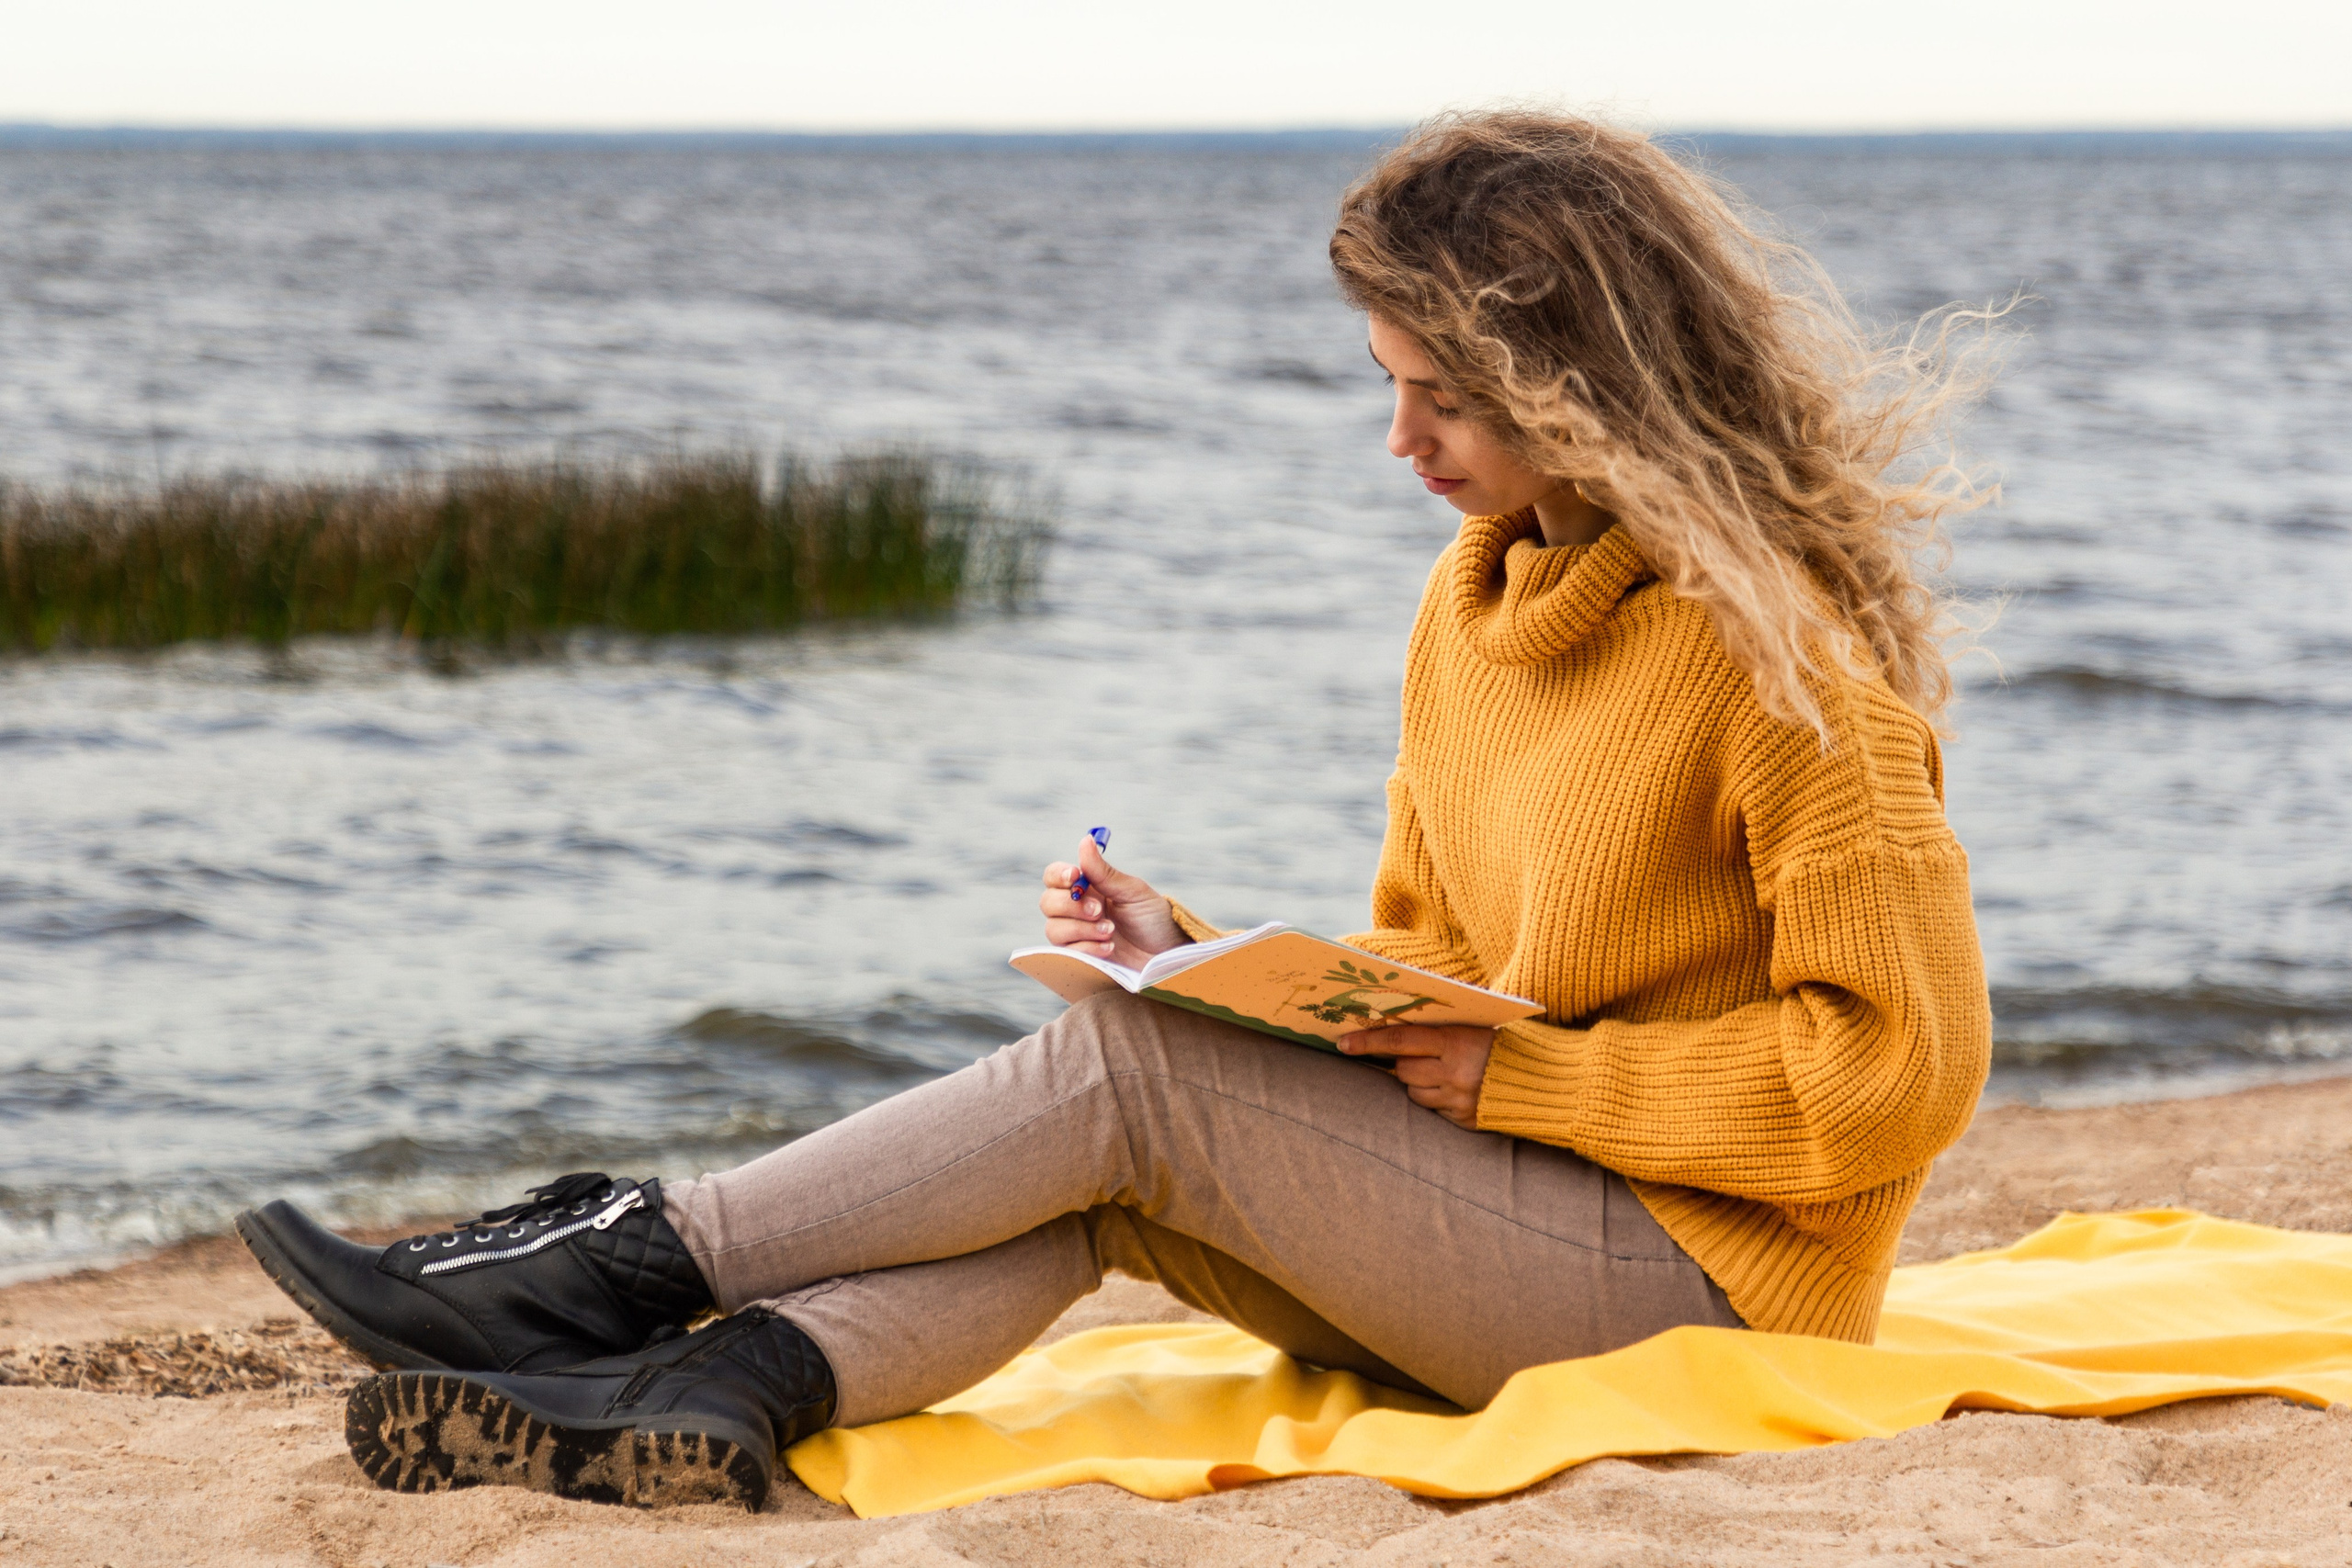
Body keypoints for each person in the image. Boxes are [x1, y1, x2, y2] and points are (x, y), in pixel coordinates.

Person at [236, 110, 1995, 1512]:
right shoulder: (1474, 609)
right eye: (1385, 381)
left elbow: (1901, 1074)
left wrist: (1537, 1081)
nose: (1401, 440)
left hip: (1718, 1286)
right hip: (1539, 1207)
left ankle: (609, 1264)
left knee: (1124, 1084)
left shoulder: (1786, 666)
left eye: (1445, 397)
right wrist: (1211, 955)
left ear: (1582, 391)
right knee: (1112, 1164)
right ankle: (708, 1392)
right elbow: (1441, 973)